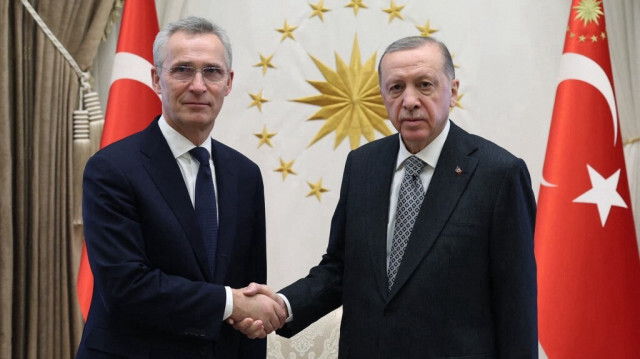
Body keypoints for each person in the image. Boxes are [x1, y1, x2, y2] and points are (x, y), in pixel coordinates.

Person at [236, 36, 538, 358]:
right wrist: (283, 305)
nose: (409, 100)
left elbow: (516, 304)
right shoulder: (363, 165)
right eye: (396, 88)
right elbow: (340, 268)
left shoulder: (499, 174)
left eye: (424, 85)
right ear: (382, 96)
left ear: (453, 91)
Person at [75, 17, 285, 359]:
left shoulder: (245, 175)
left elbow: (249, 292)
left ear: (229, 83)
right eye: (183, 70)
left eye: (212, 72)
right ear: (157, 80)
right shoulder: (111, 169)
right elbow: (126, 287)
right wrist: (231, 304)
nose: (198, 85)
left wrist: (248, 314)